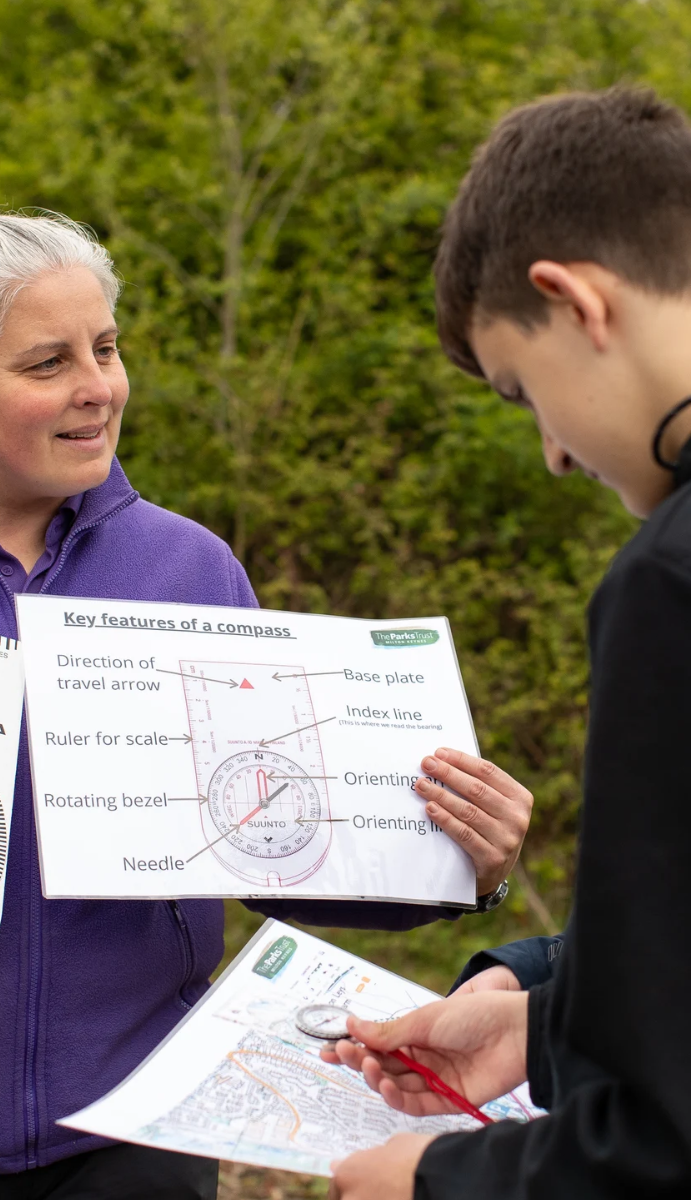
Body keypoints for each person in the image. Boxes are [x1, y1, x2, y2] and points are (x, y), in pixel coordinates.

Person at [0, 188, 532, 1199]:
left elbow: (271, 837)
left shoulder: (188, 570)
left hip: (137, 1138)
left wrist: (461, 861)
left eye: (106, 347)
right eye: (48, 363)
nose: (98, 386)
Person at [324, 85, 691, 1199]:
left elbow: (661, 1149)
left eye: (523, 390)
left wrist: (431, 1182)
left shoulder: (668, 583)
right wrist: (542, 1024)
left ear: (574, 301)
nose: (552, 452)